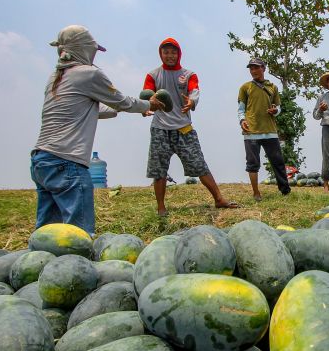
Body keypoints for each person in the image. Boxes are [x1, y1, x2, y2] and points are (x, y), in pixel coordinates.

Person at [32, 25, 163, 235]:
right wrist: (149, 105)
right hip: (67, 162)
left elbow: (94, 108)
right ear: (83, 49)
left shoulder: (55, 78)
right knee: (79, 235)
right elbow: (121, 100)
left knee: (47, 234)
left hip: (42, 160)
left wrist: (125, 109)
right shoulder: (88, 74)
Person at [144, 38, 238, 216]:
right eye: (166, 52)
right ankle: (161, 207)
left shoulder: (188, 74)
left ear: (179, 54)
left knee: (199, 164)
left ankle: (219, 199)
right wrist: (147, 103)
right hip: (160, 129)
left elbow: (195, 90)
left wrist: (192, 101)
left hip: (184, 128)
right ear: (161, 54)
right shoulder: (153, 75)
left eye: (173, 52)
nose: (170, 55)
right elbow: (147, 93)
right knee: (159, 170)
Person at [238, 58, 290, 201]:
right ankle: (256, 193)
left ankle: (285, 191)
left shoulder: (273, 87)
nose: (253, 71)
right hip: (251, 132)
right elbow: (241, 109)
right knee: (253, 164)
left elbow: (278, 107)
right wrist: (242, 120)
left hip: (270, 131)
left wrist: (276, 111)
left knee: (278, 162)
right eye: (251, 68)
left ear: (263, 68)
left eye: (256, 68)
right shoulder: (245, 87)